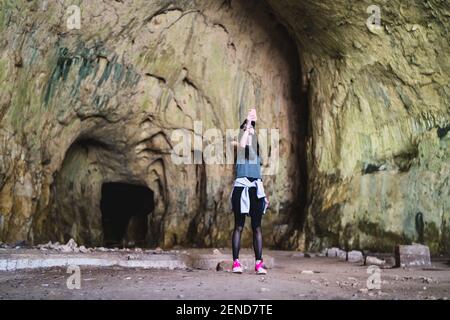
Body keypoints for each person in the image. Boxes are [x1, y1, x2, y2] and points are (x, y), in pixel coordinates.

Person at [230, 108, 269, 274]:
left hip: (256, 189)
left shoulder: (257, 154)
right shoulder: (239, 146)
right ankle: (236, 263)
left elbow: (259, 176)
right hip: (241, 188)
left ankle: (259, 263)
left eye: (253, 127)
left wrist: (264, 194)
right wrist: (247, 122)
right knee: (239, 226)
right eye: (247, 127)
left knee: (257, 228)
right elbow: (243, 143)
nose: (251, 129)